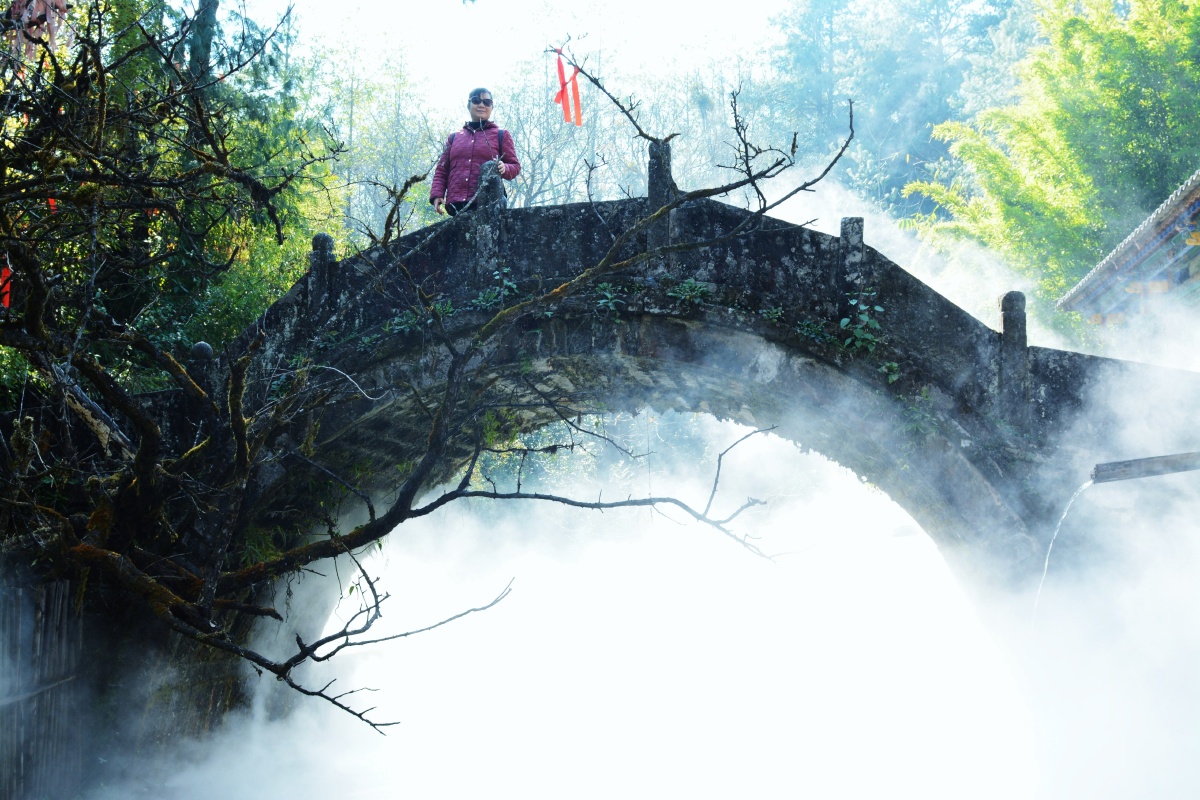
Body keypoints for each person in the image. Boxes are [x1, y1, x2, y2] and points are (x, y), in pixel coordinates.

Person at [430, 88, 521, 216]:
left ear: (492, 106)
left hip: (490, 203)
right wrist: (437, 194)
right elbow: (442, 169)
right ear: (468, 105)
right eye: (476, 100)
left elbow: (515, 167)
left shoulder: (501, 135)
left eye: (487, 102)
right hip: (456, 204)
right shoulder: (454, 137)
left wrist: (504, 167)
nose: (481, 105)